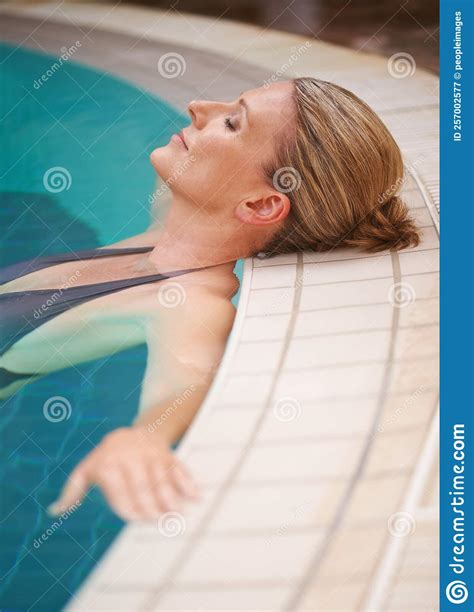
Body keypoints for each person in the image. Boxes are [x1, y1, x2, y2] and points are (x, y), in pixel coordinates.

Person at [0, 78, 420, 521]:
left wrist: (143, 439)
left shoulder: (188, 303)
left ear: (260, 206)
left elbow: (185, 382)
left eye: (233, 122)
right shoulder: (171, 225)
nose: (199, 106)